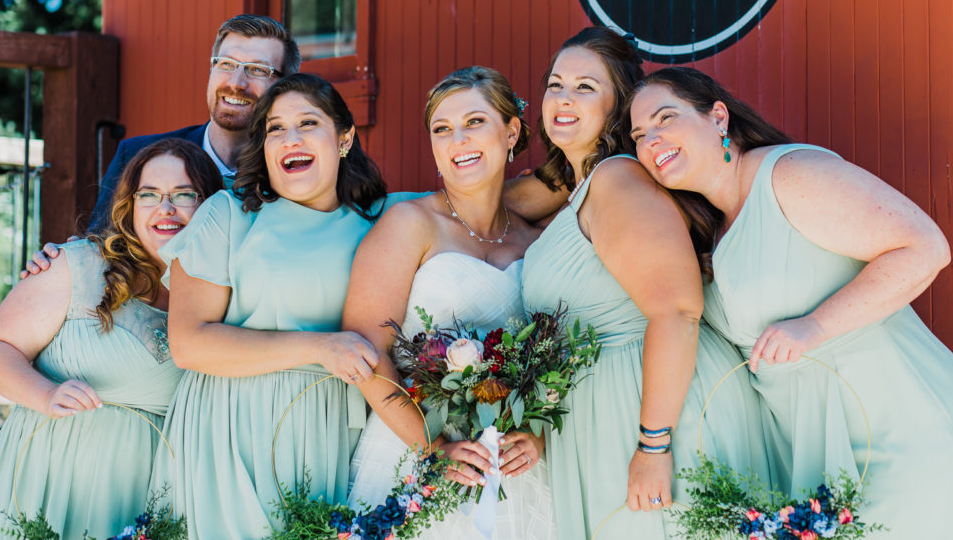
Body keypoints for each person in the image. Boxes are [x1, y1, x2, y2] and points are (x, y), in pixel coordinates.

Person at [628, 66, 953, 539]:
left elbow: (926, 248)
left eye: (665, 118)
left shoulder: (787, 176)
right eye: (638, 134)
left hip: (909, 438)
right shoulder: (711, 232)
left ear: (717, 117)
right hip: (824, 475)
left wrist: (814, 326)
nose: (651, 139)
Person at [520, 29, 769, 540]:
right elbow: (494, 202)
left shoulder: (618, 179)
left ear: (619, 108)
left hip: (650, 406)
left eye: (586, 87)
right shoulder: (581, 189)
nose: (564, 98)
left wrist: (653, 445)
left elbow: (677, 308)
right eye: (555, 84)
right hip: (608, 407)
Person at [149, 73, 415, 538]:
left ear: (345, 138)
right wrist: (322, 347)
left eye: (308, 123)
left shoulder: (387, 219)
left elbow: (493, 202)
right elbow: (189, 344)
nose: (290, 138)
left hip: (331, 429)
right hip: (229, 428)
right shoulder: (229, 214)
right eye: (275, 128)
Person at [0, 138, 223, 539]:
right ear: (130, 205)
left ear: (210, 205)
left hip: (140, 502)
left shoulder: (219, 297)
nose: (165, 208)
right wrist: (44, 395)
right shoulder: (79, 264)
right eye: (150, 194)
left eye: (184, 195)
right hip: (47, 484)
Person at [344, 66, 555, 538]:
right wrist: (431, 445)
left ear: (511, 131)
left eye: (474, 122)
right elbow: (365, 352)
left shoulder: (538, 241)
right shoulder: (409, 224)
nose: (457, 139)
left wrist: (538, 432)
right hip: (414, 451)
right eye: (442, 129)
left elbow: (550, 362)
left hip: (512, 463)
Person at [20, 13, 299, 278]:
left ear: (284, 88)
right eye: (226, 64)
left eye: (257, 70)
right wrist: (59, 261)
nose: (237, 83)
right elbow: (100, 251)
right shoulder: (135, 156)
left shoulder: (294, 174)